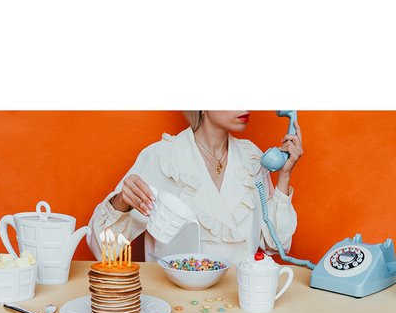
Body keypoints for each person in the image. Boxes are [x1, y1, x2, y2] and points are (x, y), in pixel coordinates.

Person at [87, 111, 303, 264]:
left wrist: (284, 175)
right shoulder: (162, 157)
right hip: (177, 301)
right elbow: (103, 250)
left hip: (240, 298)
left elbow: (277, 245)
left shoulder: (252, 158)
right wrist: (121, 202)